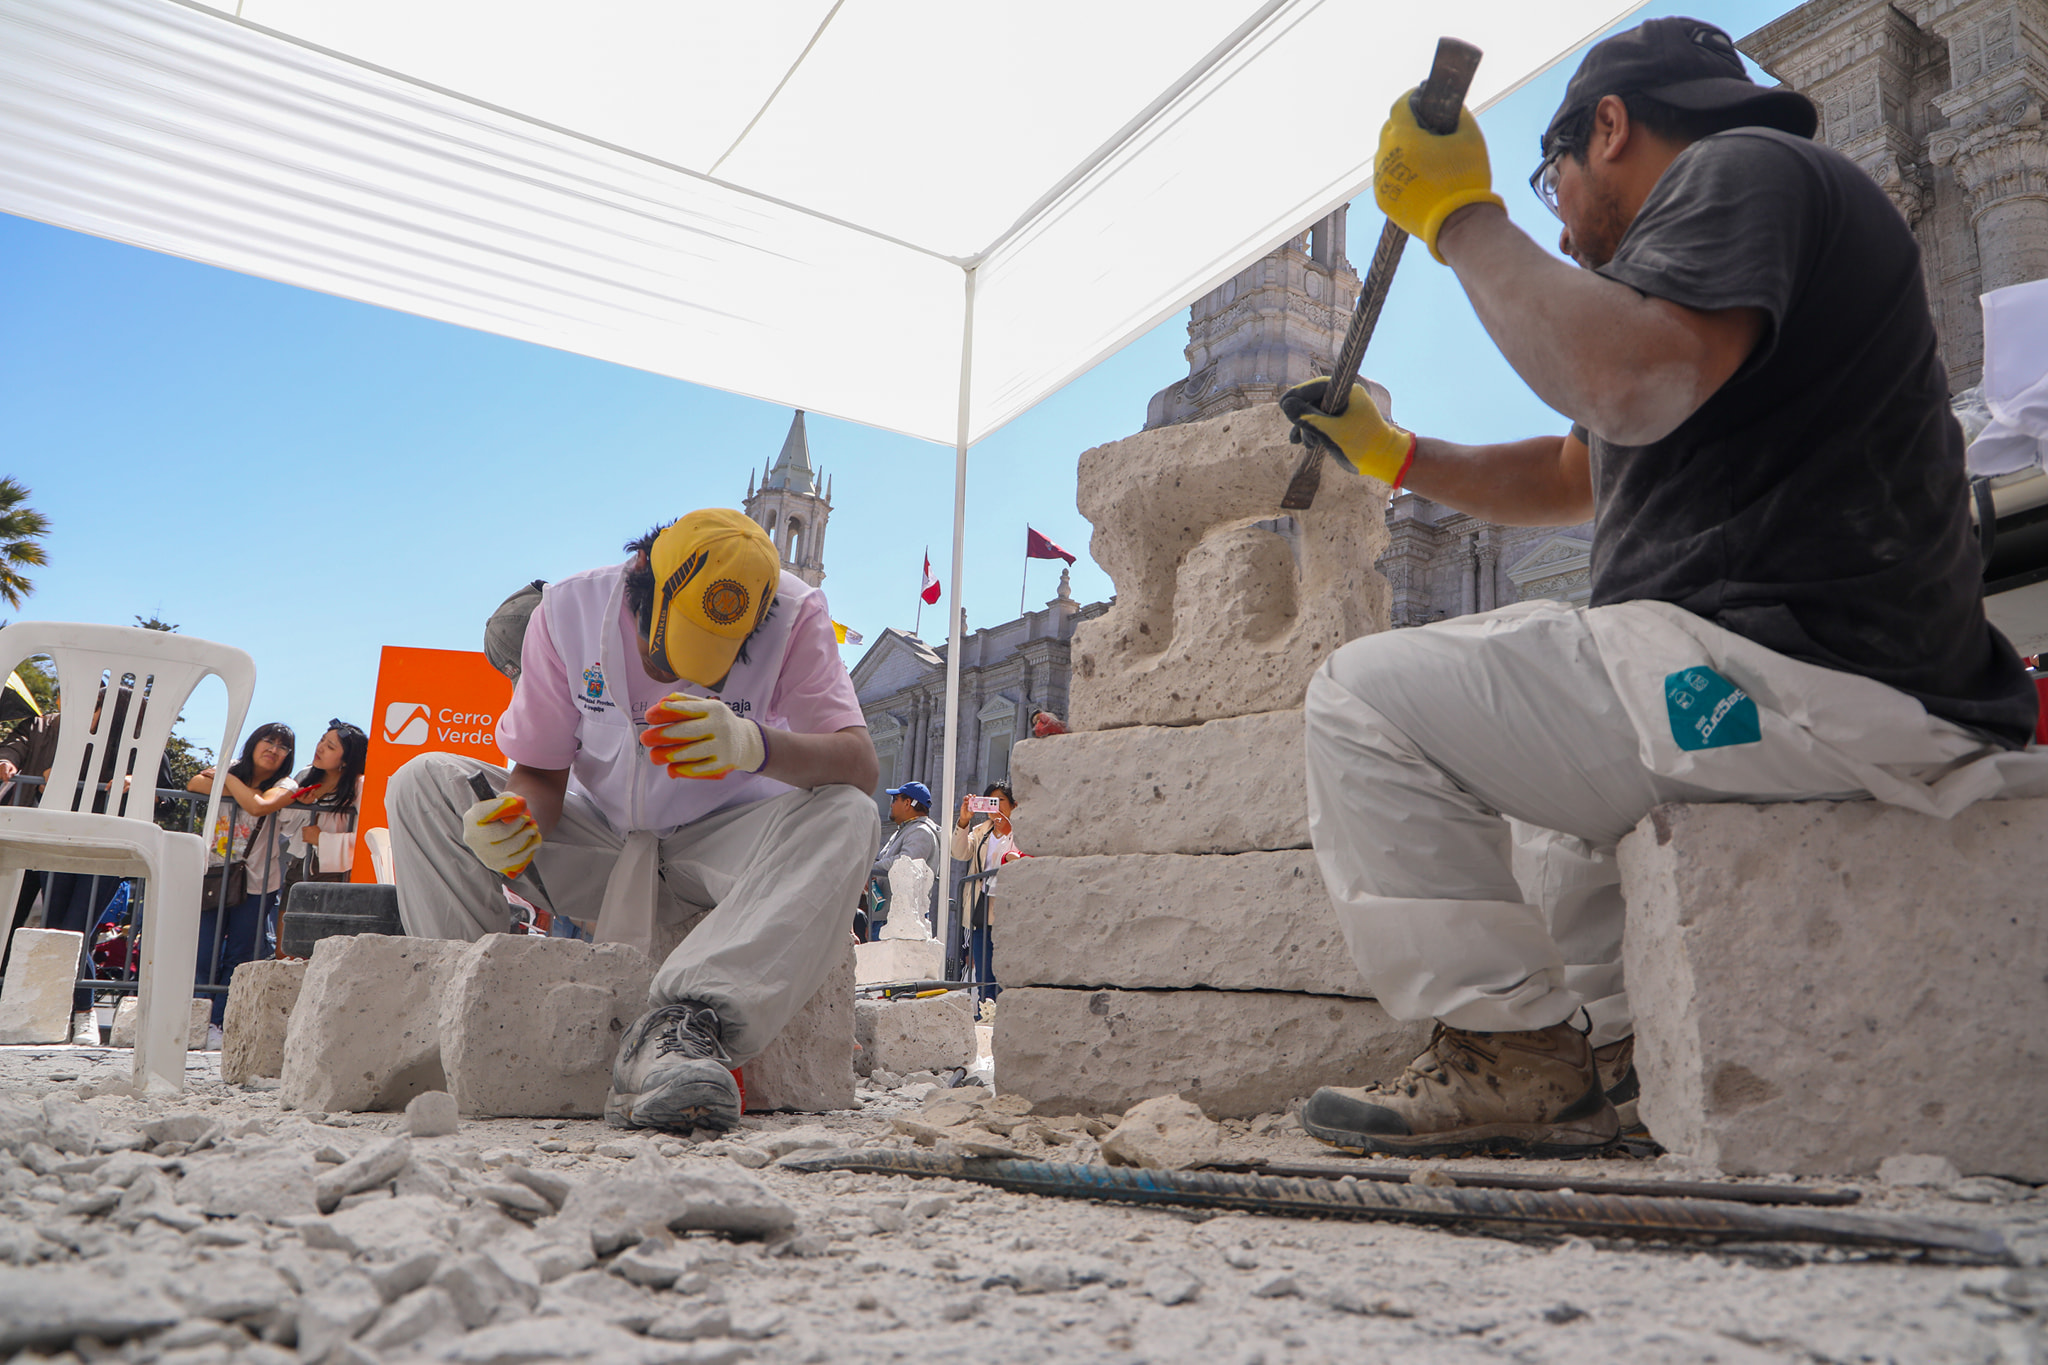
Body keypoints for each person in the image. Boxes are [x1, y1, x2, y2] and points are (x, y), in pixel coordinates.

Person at [1277, 17, 2042, 1159]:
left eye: (1555, 184)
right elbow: (1570, 469)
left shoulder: (1743, 172)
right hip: (1798, 681)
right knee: (1556, 829)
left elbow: (1630, 380)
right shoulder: (1713, 284)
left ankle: (1511, 1056)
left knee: (1361, 701)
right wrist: (1396, 459)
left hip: (1791, 672)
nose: (1563, 225)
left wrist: (1460, 221)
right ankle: (1625, 1062)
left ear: (1612, 126)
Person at [388, 508, 877, 1134]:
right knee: (423, 784)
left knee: (848, 813)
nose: (683, 675)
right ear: (642, 578)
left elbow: (859, 763)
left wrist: (757, 746)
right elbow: (539, 770)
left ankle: (681, 1034)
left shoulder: (797, 611)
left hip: (726, 842)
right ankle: (471, 1012)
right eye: (670, 647)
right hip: (602, 837)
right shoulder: (567, 610)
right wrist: (515, 818)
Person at [187, 722, 298, 1031]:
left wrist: (228, 780)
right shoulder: (234, 767)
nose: (274, 750)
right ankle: (196, 1021)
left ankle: (220, 1024)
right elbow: (195, 783)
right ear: (254, 742)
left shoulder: (286, 784)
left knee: (240, 956)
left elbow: (258, 806)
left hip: (257, 881)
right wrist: (240, 782)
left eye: (282, 746)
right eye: (269, 741)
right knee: (202, 953)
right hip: (212, 875)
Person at [950, 780, 1018, 998]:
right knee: (984, 970)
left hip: (1009, 910)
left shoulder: (1021, 832)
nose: (996, 807)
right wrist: (963, 821)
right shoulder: (981, 832)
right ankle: (985, 1011)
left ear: (1014, 805)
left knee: (1006, 969)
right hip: (981, 909)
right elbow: (959, 853)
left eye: (1001, 801)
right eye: (991, 802)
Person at [288, 721, 368, 883]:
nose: (320, 747)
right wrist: (302, 806)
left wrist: (321, 839)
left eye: (330, 747)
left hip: (334, 872)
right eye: (322, 739)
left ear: (346, 760)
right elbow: (286, 828)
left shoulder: (360, 786)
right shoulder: (305, 776)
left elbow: (368, 836)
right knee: (288, 908)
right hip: (298, 864)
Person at [866, 781, 939, 939]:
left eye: (895, 799)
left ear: (908, 803)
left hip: (897, 921)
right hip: (885, 917)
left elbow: (905, 862)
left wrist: (873, 870)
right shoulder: (905, 830)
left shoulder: (921, 832)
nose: (891, 805)